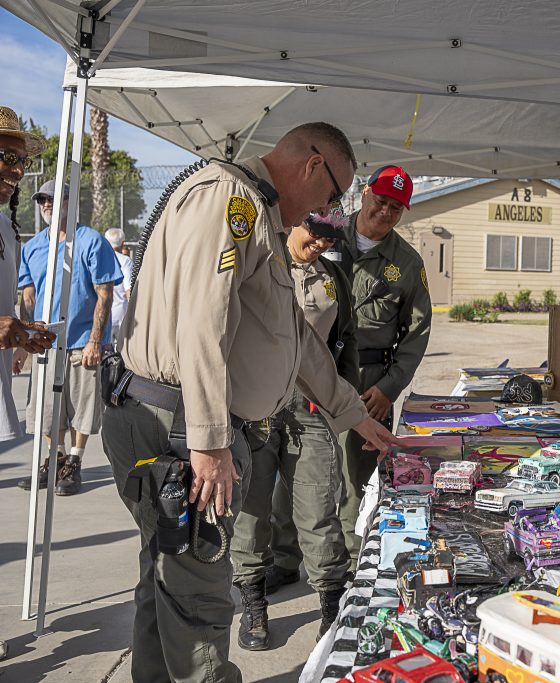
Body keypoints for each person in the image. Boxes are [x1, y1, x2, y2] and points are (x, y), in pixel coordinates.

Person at [101, 122, 396, 682]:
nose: (329, 210)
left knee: (166, 585)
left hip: (180, 421)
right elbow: (202, 321)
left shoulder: (256, 211)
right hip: (181, 427)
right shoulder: (231, 201)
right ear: (312, 166)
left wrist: (353, 413)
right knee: (201, 600)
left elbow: (294, 338)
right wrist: (209, 442)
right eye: (333, 194)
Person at [270, 163, 431, 574]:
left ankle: (356, 567)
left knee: (359, 483)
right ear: (364, 195)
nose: (385, 211)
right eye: (380, 200)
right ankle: (286, 558)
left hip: (369, 385)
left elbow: (416, 334)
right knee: (294, 471)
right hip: (306, 377)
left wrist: (390, 388)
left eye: (396, 207)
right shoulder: (324, 233)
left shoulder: (407, 264)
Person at [231, 209, 360, 650]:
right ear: (293, 224)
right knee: (251, 511)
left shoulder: (332, 277)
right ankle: (253, 606)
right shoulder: (260, 262)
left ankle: (330, 608)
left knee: (318, 509)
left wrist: (345, 401)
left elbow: (343, 343)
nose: (322, 241)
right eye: (316, 231)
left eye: (331, 235)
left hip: (311, 407)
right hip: (256, 408)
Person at [16, 178, 122, 496]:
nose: (46, 204)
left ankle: (74, 462)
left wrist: (95, 340)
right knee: (48, 409)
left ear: (70, 202)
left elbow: (104, 294)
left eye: (54, 198)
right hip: (44, 343)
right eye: (42, 200)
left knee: (82, 407)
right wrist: (22, 342)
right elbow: (27, 296)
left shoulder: (91, 241)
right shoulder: (34, 247)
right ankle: (55, 457)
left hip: (81, 344)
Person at [0, 107, 58, 662]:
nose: (15, 169)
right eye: (5, 155)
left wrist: (20, 334)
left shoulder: (5, 223)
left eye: (19, 159)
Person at [103, 227, 133, 342]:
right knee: (122, 351)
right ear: (123, 243)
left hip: (103, 313)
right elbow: (128, 289)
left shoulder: (100, 259)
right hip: (121, 313)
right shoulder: (125, 261)